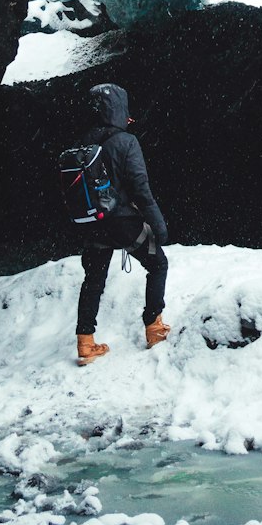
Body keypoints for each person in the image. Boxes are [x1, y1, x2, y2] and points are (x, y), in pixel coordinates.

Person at [75, 82, 170, 365]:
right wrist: (159, 226)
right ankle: (154, 327)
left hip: (94, 223)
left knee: (93, 280)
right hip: (124, 223)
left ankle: (85, 342)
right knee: (158, 264)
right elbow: (140, 188)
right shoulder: (127, 142)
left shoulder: (83, 142)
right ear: (119, 110)